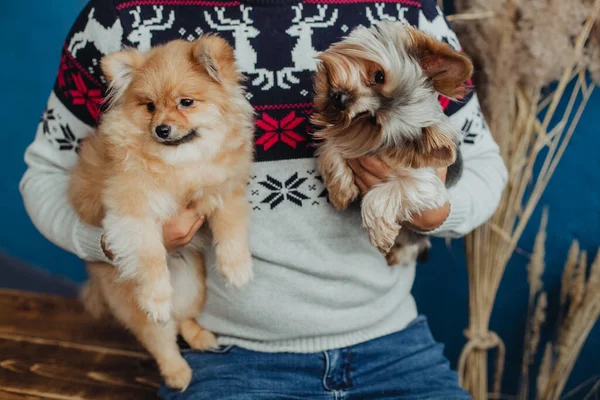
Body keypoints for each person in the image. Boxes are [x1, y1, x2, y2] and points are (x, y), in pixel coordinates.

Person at [21, 0, 507, 398]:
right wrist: (116, 241)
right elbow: (44, 174)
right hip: (228, 359)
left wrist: (436, 211)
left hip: (393, 348)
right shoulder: (120, 17)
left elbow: (485, 170)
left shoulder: (405, 12)